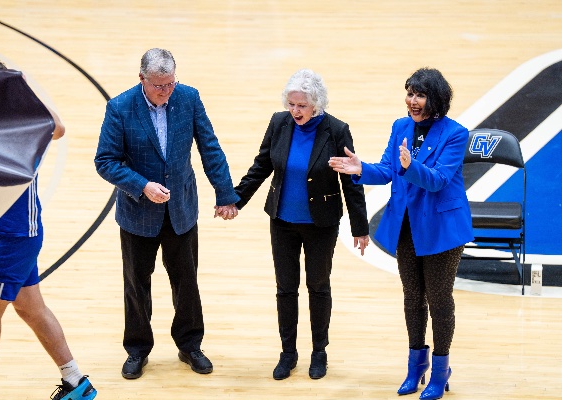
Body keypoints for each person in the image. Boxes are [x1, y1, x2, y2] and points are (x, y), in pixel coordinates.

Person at [94, 48, 239, 380]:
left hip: (181, 210)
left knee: (186, 283)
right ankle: (137, 349)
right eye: (159, 86)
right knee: (136, 285)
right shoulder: (120, 107)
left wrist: (225, 194)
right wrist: (142, 184)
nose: (166, 91)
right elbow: (105, 161)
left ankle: (190, 345)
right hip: (136, 213)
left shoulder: (188, 97)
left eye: (170, 84)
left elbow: (210, 146)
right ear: (142, 78)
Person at [329, 67, 473, 399]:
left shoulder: (455, 133)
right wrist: (361, 169)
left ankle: (440, 370)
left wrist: (410, 166)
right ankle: (415, 367)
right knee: (412, 299)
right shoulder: (400, 126)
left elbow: (436, 180)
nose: (412, 101)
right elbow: (388, 170)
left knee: (438, 301)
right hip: (406, 225)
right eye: (409, 93)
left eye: (420, 94)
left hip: (441, 230)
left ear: (435, 100)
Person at [231, 69, 370, 380]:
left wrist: (360, 227)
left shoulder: (336, 130)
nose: (295, 111)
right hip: (282, 221)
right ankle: (288, 352)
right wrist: (235, 200)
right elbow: (261, 166)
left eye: (302, 106)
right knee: (285, 288)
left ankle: (319, 352)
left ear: (316, 105)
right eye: (291, 105)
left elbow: (352, 181)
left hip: (321, 223)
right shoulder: (279, 123)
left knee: (318, 287)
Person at [0, 58, 97, 400]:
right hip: (5, 235)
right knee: (30, 308)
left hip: (15, 238)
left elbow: (59, 127)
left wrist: (22, 84)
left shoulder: (26, 123)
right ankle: (77, 384)